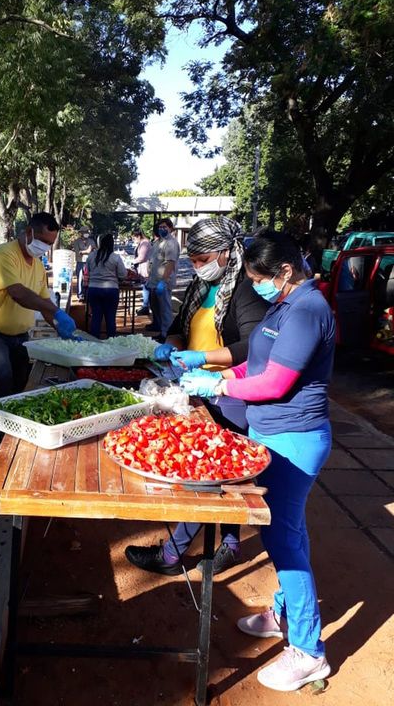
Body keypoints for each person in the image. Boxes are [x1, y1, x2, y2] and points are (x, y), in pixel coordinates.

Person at [181, 230, 335, 691]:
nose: (256, 285)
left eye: (259, 278)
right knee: (284, 531)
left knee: (283, 539)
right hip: (271, 434)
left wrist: (219, 388)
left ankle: (309, 651)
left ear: (285, 271)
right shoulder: (283, 306)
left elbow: (274, 384)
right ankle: (281, 613)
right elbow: (257, 365)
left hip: (295, 437)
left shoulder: (308, 311)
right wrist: (218, 369)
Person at [125, 216, 268, 575]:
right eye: (195, 259)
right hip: (195, 387)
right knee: (216, 471)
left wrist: (204, 359)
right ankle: (231, 543)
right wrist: (171, 347)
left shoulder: (245, 290)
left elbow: (253, 345)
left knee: (211, 474)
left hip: (229, 392)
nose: (198, 266)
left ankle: (173, 554)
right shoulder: (199, 289)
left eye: (203, 259)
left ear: (225, 252)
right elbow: (177, 328)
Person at [0, 212, 78, 397]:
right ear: (29, 232)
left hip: (20, 337)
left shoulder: (37, 266)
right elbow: (18, 293)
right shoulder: (3, 254)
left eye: (49, 245)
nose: (45, 248)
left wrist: (59, 326)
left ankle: (14, 418)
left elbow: (45, 302)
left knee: (22, 380)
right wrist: (57, 312)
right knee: (2, 374)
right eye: (43, 241)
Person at [85, 234, 127, 338]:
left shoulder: (91, 256)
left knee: (96, 317)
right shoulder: (116, 257)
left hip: (94, 289)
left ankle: (94, 341)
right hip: (111, 290)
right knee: (110, 318)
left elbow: (87, 272)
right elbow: (123, 274)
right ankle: (111, 342)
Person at [146, 217, 180, 340]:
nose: (162, 229)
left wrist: (163, 281)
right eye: (160, 227)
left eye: (164, 227)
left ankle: (167, 334)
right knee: (156, 308)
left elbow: (170, 263)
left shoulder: (171, 243)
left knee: (165, 309)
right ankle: (160, 330)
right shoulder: (157, 242)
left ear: (170, 228)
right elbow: (152, 261)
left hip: (163, 282)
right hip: (153, 281)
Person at [73, 227, 97, 301]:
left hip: (90, 262)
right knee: (80, 279)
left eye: (87, 232)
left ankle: (88, 294)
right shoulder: (77, 242)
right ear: (81, 233)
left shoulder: (91, 241)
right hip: (80, 262)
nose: (86, 233)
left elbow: (95, 250)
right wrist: (87, 251)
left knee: (89, 279)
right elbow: (77, 252)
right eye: (84, 232)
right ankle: (80, 295)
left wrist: (88, 251)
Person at [132, 228, 152, 316]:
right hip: (143, 269)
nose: (134, 240)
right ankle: (145, 306)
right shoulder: (142, 243)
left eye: (134, 238)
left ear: (138, 236)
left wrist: (132, 261)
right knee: (145, 288)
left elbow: (142, 257)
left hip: (146, 269)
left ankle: (145, 307)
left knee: (146, 288)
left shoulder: (145, 243)